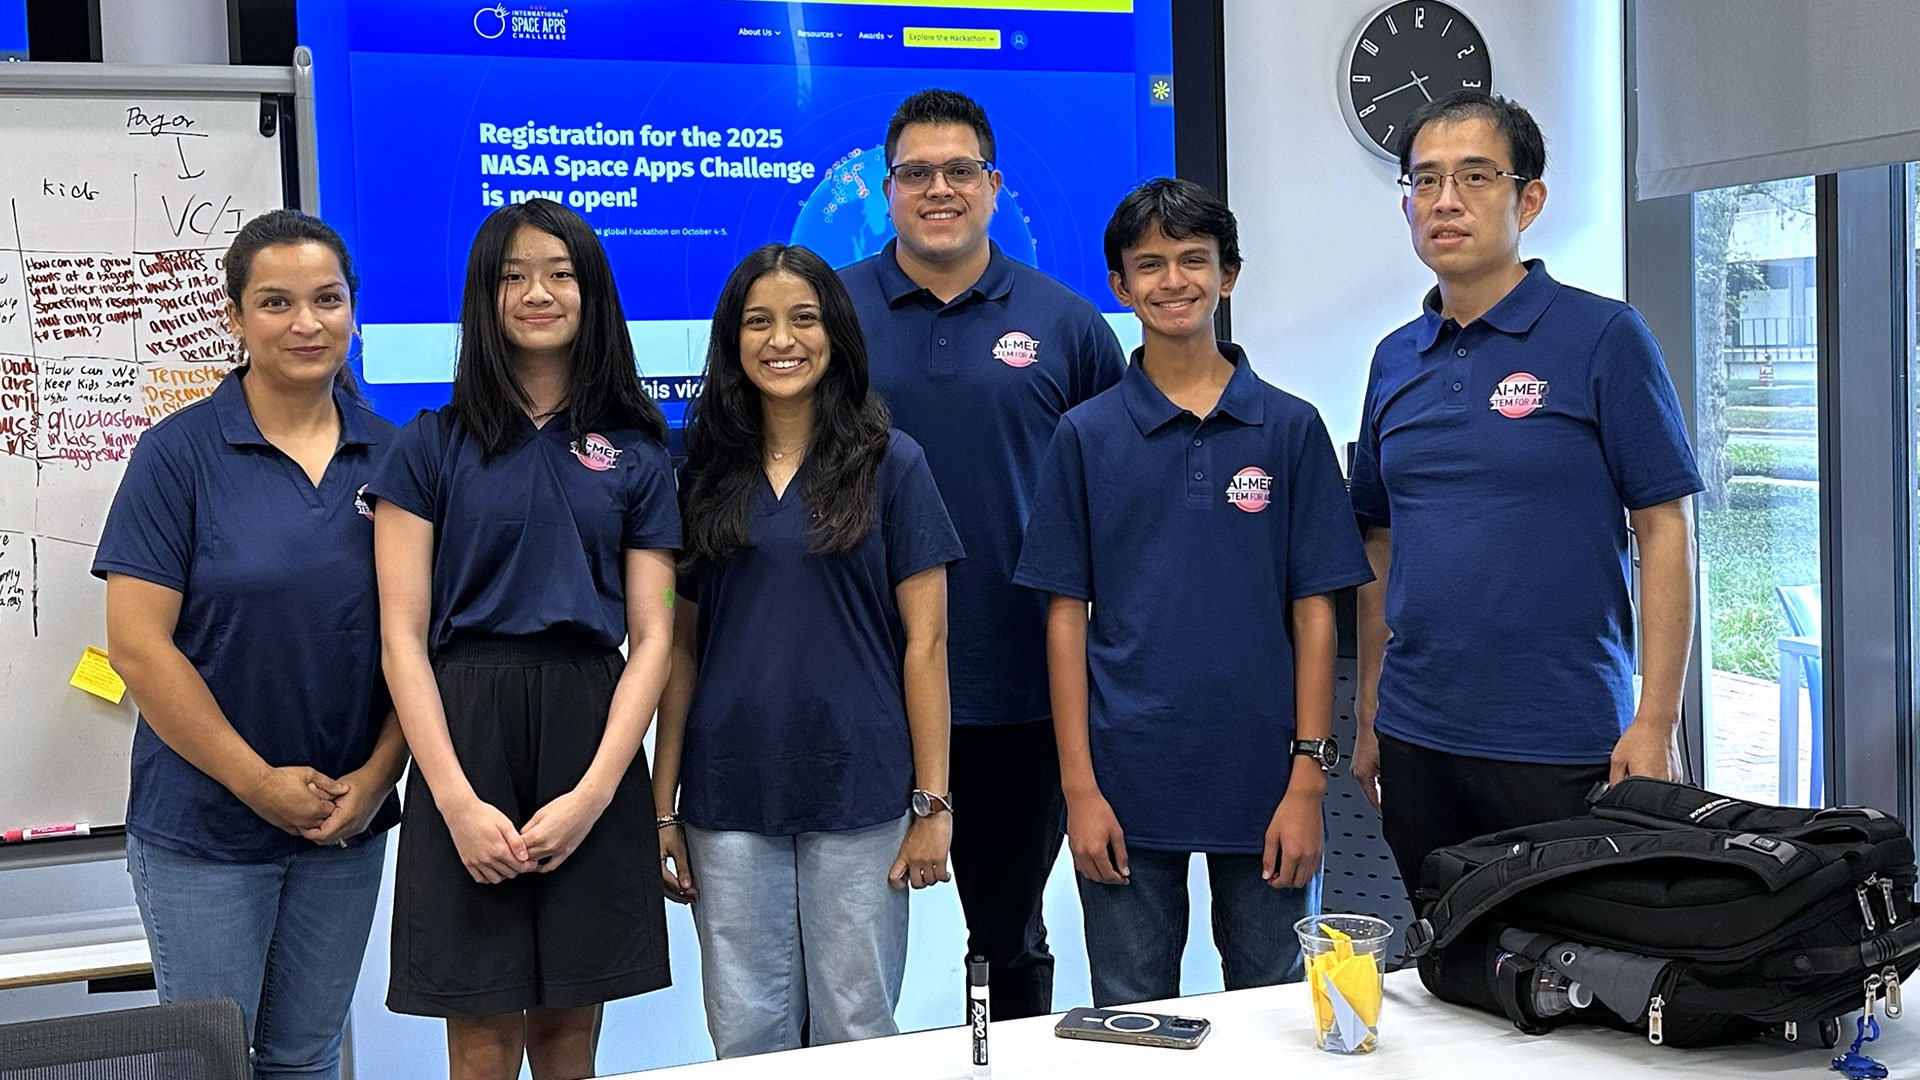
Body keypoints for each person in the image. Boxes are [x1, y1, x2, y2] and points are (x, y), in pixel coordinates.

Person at [1014, 177, 1373, 1007]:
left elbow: (1316, 612)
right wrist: (1079, 790)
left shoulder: (1288, 428)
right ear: (1119, 286)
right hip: (1125, 785)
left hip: (1268, 784)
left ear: (1229, 274)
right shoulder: (1085, 435)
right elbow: (1064, 620)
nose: (1173, 281)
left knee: (1280, 1012)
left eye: (1193, 261)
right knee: (1132, 1017)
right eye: (1150, 265)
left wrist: (1309, 780)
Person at [1349, 91, 1703, 894]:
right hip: (1418, 736)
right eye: (1425, 180)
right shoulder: (1392, 360)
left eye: (1475, 176)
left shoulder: (1605, 337)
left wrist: (1656, 719)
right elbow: (1378, 541)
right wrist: (1369, 711)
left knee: (1573, 981)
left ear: (1528, 198)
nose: (1445, 200)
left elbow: (1665, 528)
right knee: (1450, 968)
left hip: (1565, 739)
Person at [367, 198, 678, 1080]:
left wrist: (593, 796)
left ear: (591, 292)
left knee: (568, 1039)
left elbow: (653, 637)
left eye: (558, 273)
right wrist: (455, 800)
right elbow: (402, 636)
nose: (537, 292)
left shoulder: (640, 455)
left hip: (593, 728)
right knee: (482, 1037)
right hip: (464, 729)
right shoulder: (429, 445)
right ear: (484, 296)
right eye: (513, 276)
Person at [95, 209, 405, 1079]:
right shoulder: (177, 455)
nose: (306, 324)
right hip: (203, 830)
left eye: (327, 299)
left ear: (353, 310)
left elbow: (422, 645)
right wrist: (258, 785)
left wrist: (378, 778)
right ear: (234, 317)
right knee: (208, 1065)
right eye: (275, 302)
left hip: (345, 824)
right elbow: (138, 648)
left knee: (307, 1058)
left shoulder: (401, 457)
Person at [838, 88, 1126, 1020]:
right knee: (835, 954)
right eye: (916, 173)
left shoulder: (1069, 324)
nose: (939, 189)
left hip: (1015, 686)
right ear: (886, 190)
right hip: (860, 680)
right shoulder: (828, 314)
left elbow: (1115, 501)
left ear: (994, 185)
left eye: (960, 170)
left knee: (1007, 936)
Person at [652, 243, 964, 1057]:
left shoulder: (893, 464)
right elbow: (675, 651)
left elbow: (926, 645)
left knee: (856, 1028)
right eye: (758, 321)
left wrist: (933, 803)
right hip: (729, 793)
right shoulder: (701, 473)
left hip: (858, 786)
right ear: (733, 339)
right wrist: (661, 806)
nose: (781, 339)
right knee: (745, 1029)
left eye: (803, 318)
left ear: (836, 334)